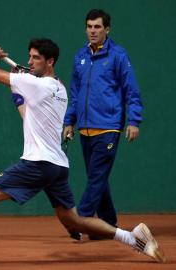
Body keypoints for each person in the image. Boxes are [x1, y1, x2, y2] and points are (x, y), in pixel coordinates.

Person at [0, 38, 163, 267]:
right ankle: (134, 239)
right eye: (29, 57)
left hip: (38, 163)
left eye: (35, 58)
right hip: (56, 166)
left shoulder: (34, 84)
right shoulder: (59, 89)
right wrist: (18, 91)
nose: (30, 62)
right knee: (73, 221)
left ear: (50, 61)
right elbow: (27, 114)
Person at [63, 9, 144, 240]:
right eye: (89, 26)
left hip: (109, 127)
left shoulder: (118, 55)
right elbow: (75, 93)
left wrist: (134, 121)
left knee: (97, 176)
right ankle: (107, 224)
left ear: (107, 29)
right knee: (97, 177)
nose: (92, 31)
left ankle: (81, 220)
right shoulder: (80, 56)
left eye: (97, 27)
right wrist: (69, 121)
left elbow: (132, 90)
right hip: (85, 129)